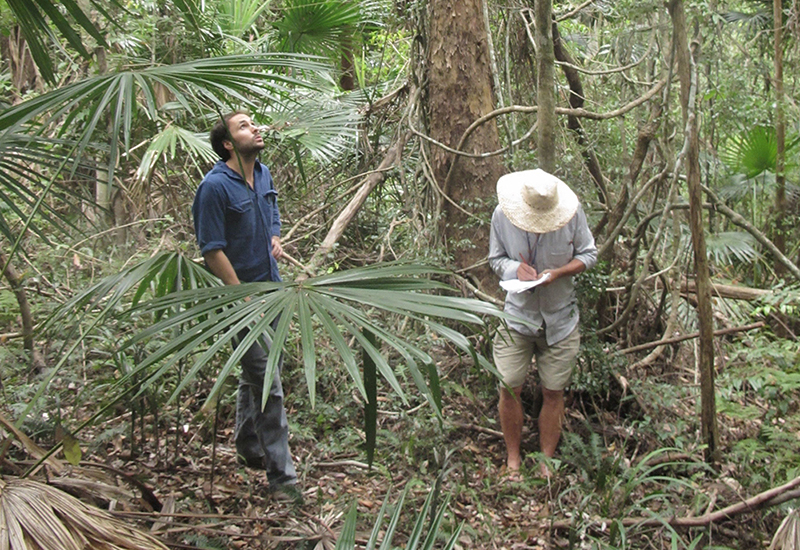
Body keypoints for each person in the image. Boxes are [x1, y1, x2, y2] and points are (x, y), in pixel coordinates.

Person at [192, 111, 298, 496]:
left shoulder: (264, 173)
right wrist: (240, 293)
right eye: (244, 126)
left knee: (260, 371)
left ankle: (248, 444)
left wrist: (274, 236)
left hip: (273, 288)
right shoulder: (214, 188)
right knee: (268, 382)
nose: (255, 128)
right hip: (240, 298)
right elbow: (211, 249)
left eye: (254, 123)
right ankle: (283, 479)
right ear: (227, 144)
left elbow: (272, 210)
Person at [488, 169, 597, 478]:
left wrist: (558, 273)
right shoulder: (502, 215)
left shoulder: (572, 215)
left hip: (560, 319)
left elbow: (589, 254)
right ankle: (513, 459)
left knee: (553, 391)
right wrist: (513, 269)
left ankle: (546, 462)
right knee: (509, 386)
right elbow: (495, 259)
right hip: (517, 317)